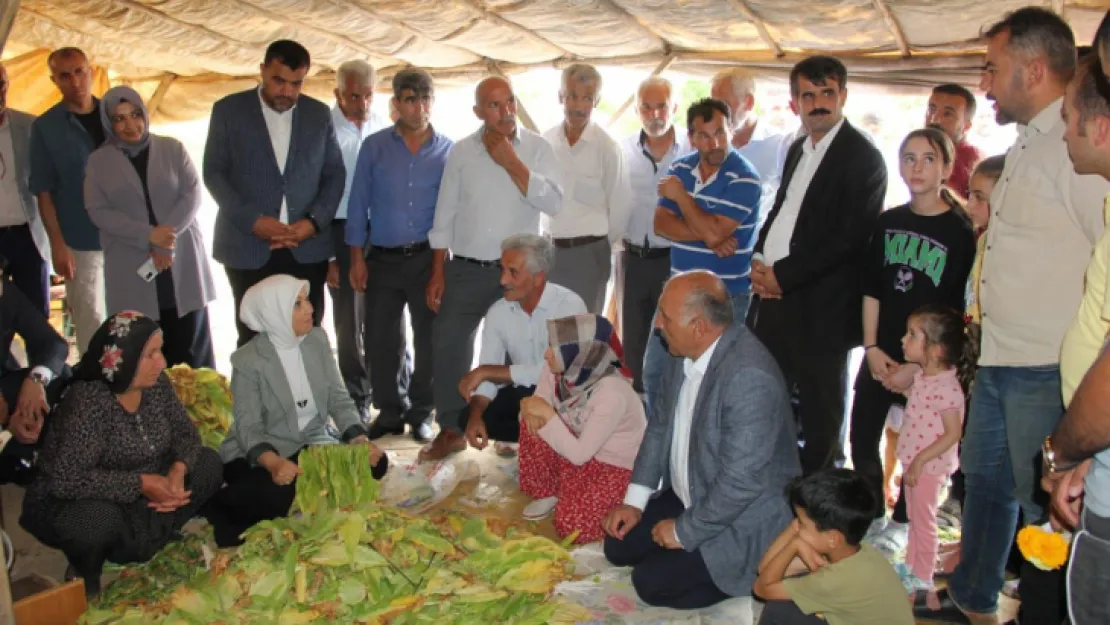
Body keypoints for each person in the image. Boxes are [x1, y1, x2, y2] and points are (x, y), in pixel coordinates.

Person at [913, 9, 1110, 624]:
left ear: (1033, 68)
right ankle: (974, 597)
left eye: (993, 69)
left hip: (1043, 364)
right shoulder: (1027, 144)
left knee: (1043, 505)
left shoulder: (1077, 145)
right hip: (999, 356)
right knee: (987, 489)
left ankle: (1046, 611)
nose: (986, 84)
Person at [602, 271, 800, 610]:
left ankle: (757, 569)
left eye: (664, 317)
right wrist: (635, 501)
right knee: (618, 546)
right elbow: (660, 427)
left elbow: (740, 485)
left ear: (698, 327)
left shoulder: (749, 377)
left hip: (741, 516)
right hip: (693, 491)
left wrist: (683, 532)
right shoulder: (682, 354)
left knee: (650, 583)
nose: (658, 326)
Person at [746, 55, 887, 476]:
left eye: (828, 93)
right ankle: (769, 483)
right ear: (795, 103)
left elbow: (847, 238)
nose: (819, 103)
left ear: (843, 95)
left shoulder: (863, 158)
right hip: (772, 300)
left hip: (821, 309)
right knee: (764, 395)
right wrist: (757, 259)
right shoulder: (797, 148)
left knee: (821, 411)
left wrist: (783, 278)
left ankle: (819, 500)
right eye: (809, 95)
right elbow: (781, 211)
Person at [19, 312, 223, 597]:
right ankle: (86, 568)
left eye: (159, 352)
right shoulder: (88, 401)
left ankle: (155, 536)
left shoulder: (158, 384)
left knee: (208, 462)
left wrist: (177, 470)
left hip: (149, 498)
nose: (161, 362)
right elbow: (67, 481)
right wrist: (141, 484)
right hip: (92, 499)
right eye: (150, 354)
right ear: (122, 359)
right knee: (94, 521)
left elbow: (186, 434)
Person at [423, 76, 562, 460]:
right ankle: (451, 427)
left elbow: (553, 203)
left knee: (516, 349)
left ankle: (508, 428)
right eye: (494, 106)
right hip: (465, 268)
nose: (505, 112)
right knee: (449, 342)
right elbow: (444, 213)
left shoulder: (537, 148)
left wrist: (511, 162)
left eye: (509, 103)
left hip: (516, 273)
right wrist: (438, 270)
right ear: (478, 111)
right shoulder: (462, 152)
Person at [850, 127, 975, 545]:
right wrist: (871, 348)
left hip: (927, 365)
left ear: (946, 167)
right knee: (860, 437)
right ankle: (869, 517)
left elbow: (954, 313)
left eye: (928, 159)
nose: (917, 167)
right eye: (908, 158)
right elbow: (871, 290)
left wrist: (918, 368)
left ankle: (903, 525)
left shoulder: (959, 231)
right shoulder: (888, 222)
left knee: (917, 447)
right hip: (882, 352)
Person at [206, 275, 387, 548]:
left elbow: (339, 399)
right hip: (262, 452)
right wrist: (274, 464)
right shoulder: (248, 360)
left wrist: (360, 441)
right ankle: (219, 505)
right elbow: (249, 426)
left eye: (307, 301)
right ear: (274, 313)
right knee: (278, 491)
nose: (310, 309)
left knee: (376, 463)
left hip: (311, 443)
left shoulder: (316, 340)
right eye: (297, 304)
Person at [203, 40, 345, 347]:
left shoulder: (318, 114)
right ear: (263, 71)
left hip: (305, 246)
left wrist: (313, 223)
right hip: (247, 244)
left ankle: (307, 397)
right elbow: (214, 173)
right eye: (278, 80)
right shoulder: (228, 111)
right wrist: (253, 221)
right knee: (254, 337)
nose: (287, 91)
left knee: (307, 334)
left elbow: (334, 175)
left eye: (296, 84)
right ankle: (260, 397)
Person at [347, 68, 451, 442]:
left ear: (432, 102)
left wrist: (439, 269)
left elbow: (450, 212)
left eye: (425, 99)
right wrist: (356, 258)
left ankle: (422, 413)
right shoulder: (374, 147)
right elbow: (357, 204)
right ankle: (390, 411)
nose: (419, 107)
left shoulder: (447, 151)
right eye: (410, 99)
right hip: (382, 259)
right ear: (396, 103)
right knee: (379, 339)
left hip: (428, 260)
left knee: (429, 339)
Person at [641, 98, 762, 416]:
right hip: (677, 294)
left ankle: (698, 456)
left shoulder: (745, 178)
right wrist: (711, 234)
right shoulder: (681, 168)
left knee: (712, 385)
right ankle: (662, 450)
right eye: (705, 136)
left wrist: (681, 198)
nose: (715, 142)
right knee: (655, 373)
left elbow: (708, 230)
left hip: (725, 299)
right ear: (692, 137)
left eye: (721, 132)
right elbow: (661, 225)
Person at [83, 86, 215, 369]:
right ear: (108, 122)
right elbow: (98, 211)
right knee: (142, 354)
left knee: (191, 350)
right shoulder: (98, 162)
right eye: (119, 119)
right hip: (132, 264)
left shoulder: (172, 148)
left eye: (135, 114)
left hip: (179, 260)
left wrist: (165, 239)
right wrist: (147, 235)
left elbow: (192, 195)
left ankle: (199, 413)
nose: (130, 125)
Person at [516, 313, 646, 543]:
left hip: (613, 466)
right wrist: (531, 411)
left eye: (555, 348)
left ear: (581, 353)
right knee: (531, 426)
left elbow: (578, 455)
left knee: (572, 525)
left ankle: (619, 502)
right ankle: (550, 492)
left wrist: (545, 412)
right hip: (580, 448)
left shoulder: (611, 392)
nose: (547, 354)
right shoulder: (558, 370)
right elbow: (534, 407)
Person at [461, 234, 586, 457]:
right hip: (528, 394)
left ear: (538, 279)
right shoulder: (498, 312)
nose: (502, 280)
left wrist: (487, 372)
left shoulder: (570, 305)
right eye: (502, 270)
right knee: (468, 416)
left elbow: (561, 372)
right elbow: (488, 378)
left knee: (573, 413)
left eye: (513, 272)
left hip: (566, 395)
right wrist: (475, 415)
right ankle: (540, 442)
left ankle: (555, 444)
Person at [754, 469, 913, 625]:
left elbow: (762, 588)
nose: (796, 527)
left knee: (779, 610)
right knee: (791, 595)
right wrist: (796, 531)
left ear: (833, 538)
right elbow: (765, 569)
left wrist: (794, 544)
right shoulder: (855, 553)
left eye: (801, 523)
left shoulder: (834, 580)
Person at [612, 76, 689, 397]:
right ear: (636, 109)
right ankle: (638, 412)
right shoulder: (622, 149)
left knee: (675, 337)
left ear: (675, 107)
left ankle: (668, 410)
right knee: (633, 340)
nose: (655, 114)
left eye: (662, 107)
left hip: (676, 260)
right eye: (647, 107)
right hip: (632, 259)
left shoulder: (690, 148)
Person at [29, 47, 107, 353]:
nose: (75, 80)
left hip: (125, 237)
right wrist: (57, 245)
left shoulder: (116, 116)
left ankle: (137, 395)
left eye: (79, 71)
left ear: (90, 71)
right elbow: (43, 191)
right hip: (80, 241)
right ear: (54, 81)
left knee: (132, 320)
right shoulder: (46, 127)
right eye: (65, 75)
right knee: (92, 322)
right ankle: (96, 396)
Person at [892, 305, 974, 592]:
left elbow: (953, 433)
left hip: (928, 467)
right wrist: (898, 387)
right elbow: (920, 408)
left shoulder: (947, 387)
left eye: (912, 335)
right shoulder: (923, 378)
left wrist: (920, 461)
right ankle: (913, 565)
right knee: (915, 516)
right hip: (915, 462)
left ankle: (923, 576)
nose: (903, 340)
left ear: (936, 350)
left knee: (924, 519)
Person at [326, 59, 390, 420]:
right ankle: (357, 399)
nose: (362, 104)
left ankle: (393, 395)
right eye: (353, 95)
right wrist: (328, 258)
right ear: (337, 93)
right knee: (348, 324)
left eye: (368, 95)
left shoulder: (384, 126)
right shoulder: (323, 130)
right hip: (339, 232)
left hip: (381, 233)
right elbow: (315, 195)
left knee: (386, 318)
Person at [543, 63, 629, 313]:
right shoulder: (546, 141)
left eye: (586, 98)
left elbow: (620, 208)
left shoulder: (607, 147)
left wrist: (599, 249)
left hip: (588, 255)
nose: (578, 106)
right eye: (572, 96)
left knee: (580, 335)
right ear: (561, 97)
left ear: (597, 101)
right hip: (550, 253)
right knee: (550, 332)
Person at [0, 253, 70, 485]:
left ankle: (15, 457)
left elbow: (53, 343)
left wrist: (36, 381)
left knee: (64, 378)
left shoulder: (5, 292)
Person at [710, 67, 796, 225]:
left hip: (755, 246)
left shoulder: (778, 145)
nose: (717, 113)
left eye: (724, 104)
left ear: (749, 102)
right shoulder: (706, 143)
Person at [0, 64, 51, 316]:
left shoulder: (31, 126)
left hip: (28, 236)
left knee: (37, 317)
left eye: (1, 85)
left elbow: (51, 180)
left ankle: (41, 358)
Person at [925, 84, 983, 199]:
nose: (934, 119)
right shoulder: (921, 152)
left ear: (966, 126)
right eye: (931, 110)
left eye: (947, 114)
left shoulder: (971, 161)